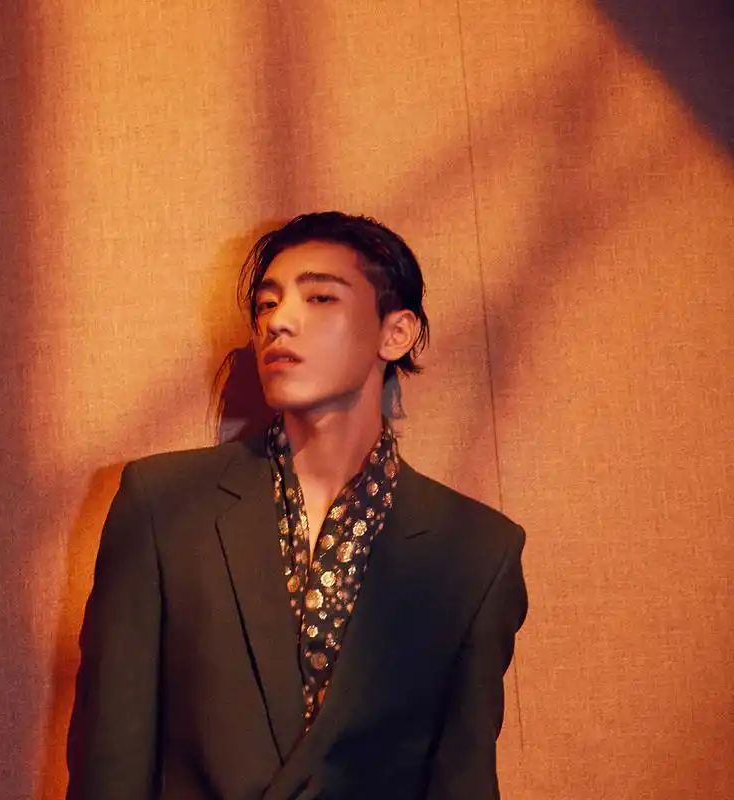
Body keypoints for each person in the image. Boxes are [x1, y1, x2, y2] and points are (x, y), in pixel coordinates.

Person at [66, 212, 528, 800]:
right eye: (267, 304)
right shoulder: (164, 505)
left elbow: (463, 779)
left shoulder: (476, 552)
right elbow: (111, 761)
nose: (278, 321)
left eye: (320, 297)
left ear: (396, 333)